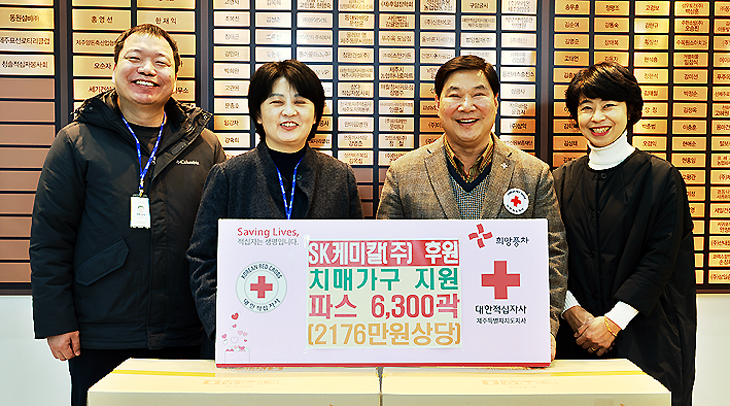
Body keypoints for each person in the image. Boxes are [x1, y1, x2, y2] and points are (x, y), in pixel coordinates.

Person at [30, 24, 226, 406]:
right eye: (134, 58)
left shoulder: (205, 146)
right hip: (102, 332)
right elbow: (50, 239)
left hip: (186, 331)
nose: (147, 69)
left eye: (160, 62)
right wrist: (57, 321)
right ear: (114, 67)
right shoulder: (76, 141)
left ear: (176, 76)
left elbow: (220, 239)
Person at [376, 55, 568, 361]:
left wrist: (545, 328)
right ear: (437, 103)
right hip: (426, 337)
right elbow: (385, 258)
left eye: (478, 94)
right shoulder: (403, 173)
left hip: (510, 333)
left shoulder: (533, 174)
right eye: (455, 95)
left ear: (495, 102)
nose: (467, 106)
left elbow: (552, 255)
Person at [188, 59, 363, 358]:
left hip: (321, 335)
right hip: (242, 336)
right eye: (276, 102)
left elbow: (355, 259)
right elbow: (202, 259)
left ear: (316, 115)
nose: (289, 111)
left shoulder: (339, 177)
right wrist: (223, 326)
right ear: (258, 113)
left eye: (300, 102)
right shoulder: (229, 175)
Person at [553, 62, 696, 406]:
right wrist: (573, 313)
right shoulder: (560, 181)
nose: (597, 117)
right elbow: (551, 255)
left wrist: (612, 323)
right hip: (576, 338)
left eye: (609, 105)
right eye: (586, 107)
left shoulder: (661, 179)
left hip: (646, 338)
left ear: (630, 110)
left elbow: (659, 261)